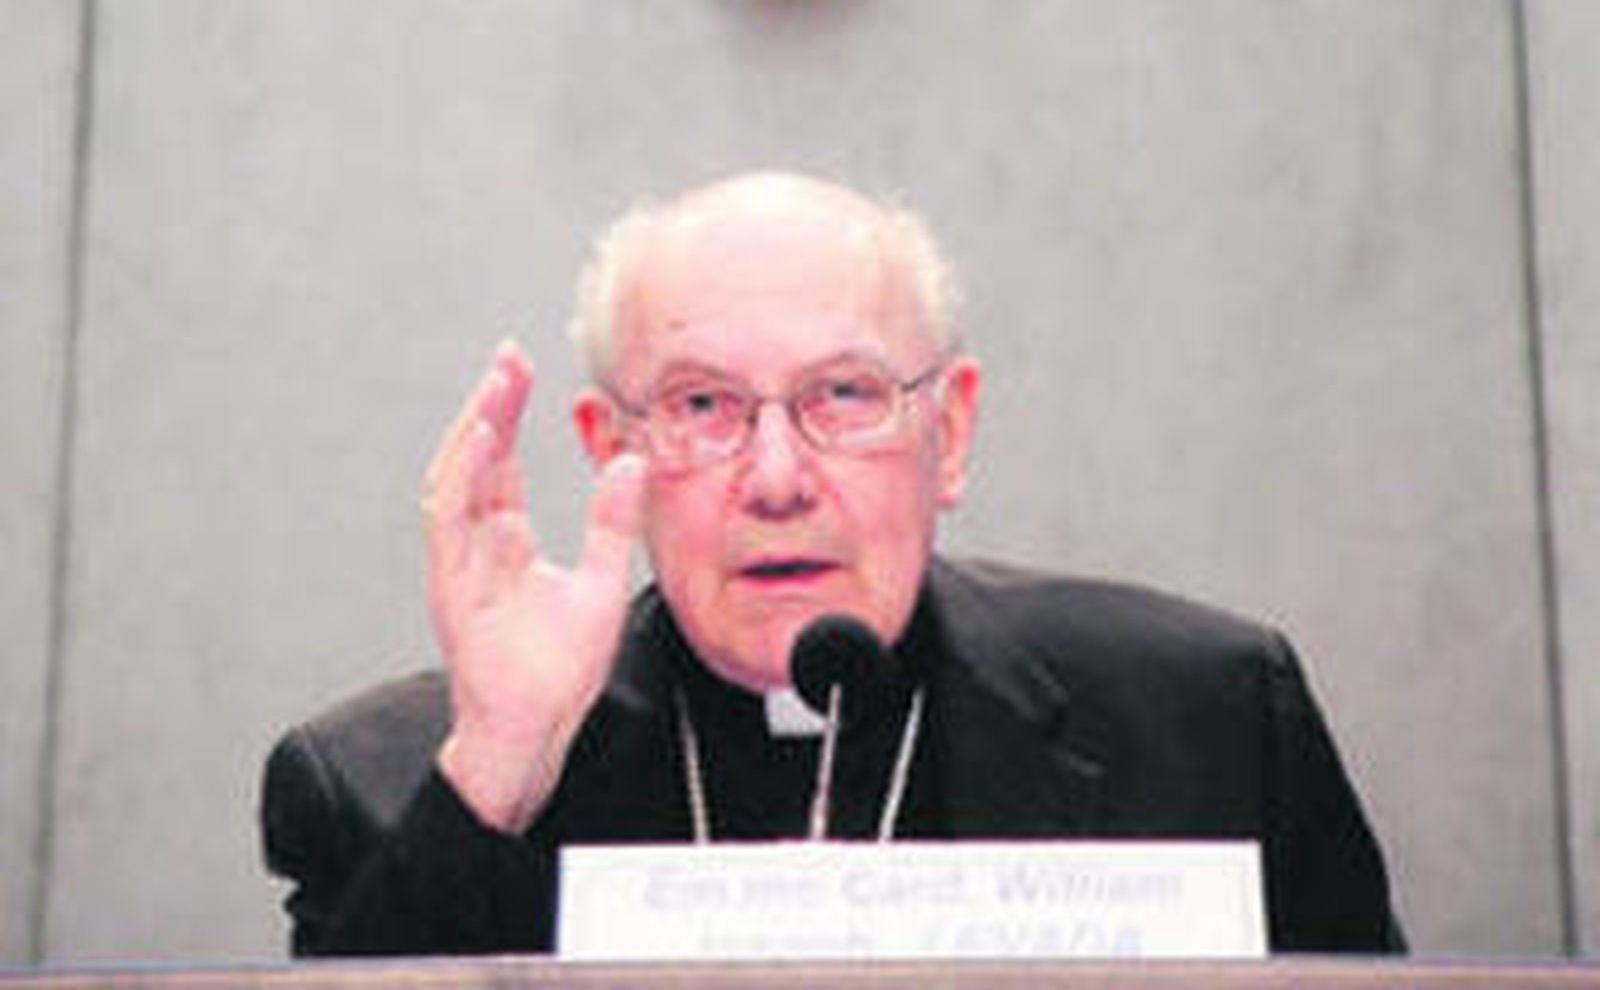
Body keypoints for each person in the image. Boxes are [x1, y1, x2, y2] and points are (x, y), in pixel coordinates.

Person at [261, 170, 1402, 954]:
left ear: (946, 434)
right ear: (615, 451)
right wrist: (497, 778)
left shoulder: (1205, 723)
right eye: (702, 404)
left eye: (843, 396)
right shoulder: (388, 786)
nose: (774, 477)